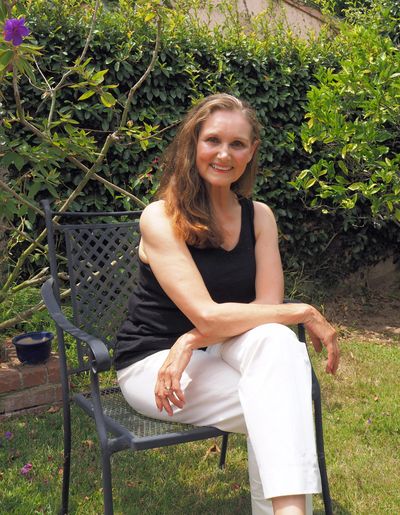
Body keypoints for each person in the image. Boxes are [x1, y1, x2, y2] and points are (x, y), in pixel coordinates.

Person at [114, 93, 339, 515]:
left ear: (251, 152)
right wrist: (304, 311)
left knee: (275, 343)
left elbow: (266, 312)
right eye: (213, 140)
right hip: (153, 364)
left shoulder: (261, 217)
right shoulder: (160, 217)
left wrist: (190, 341)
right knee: (282, 396)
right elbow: (208, 312)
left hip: (218, 348)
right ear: (192, 143)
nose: (224, 153)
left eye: (237, 144)